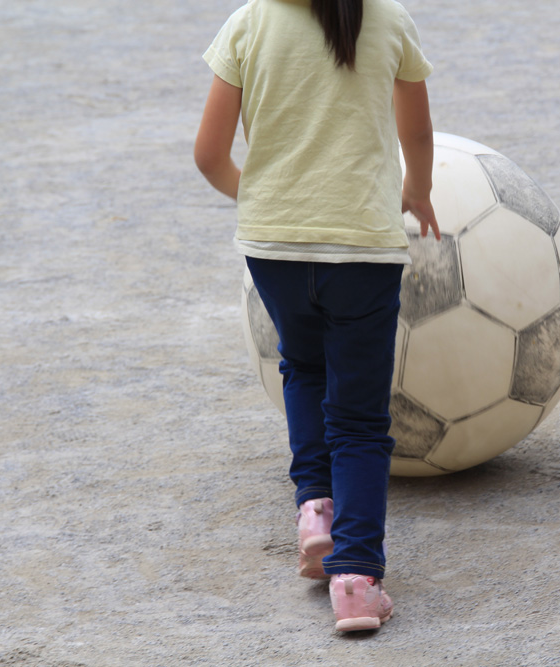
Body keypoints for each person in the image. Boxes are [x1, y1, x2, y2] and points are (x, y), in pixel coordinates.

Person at [194, 0, 438, 633]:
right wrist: (418, 191)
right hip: (362, 249)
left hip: (272, 247)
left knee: (302, 366)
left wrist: (261, 205)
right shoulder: (389, 19)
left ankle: (316, 514)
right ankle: (356, 579)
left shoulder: (249, 23)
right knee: (359, 419)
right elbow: (415, 133)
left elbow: (208, 154)